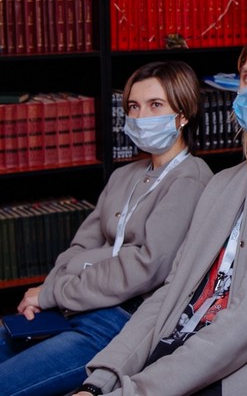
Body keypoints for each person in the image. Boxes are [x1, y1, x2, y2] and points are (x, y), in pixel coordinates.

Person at [75, 23, 247, 396]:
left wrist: (132, 391)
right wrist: (100, 381)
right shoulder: (223, 183)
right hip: (174, 355)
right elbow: (171, 293)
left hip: (236, 377)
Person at [0, 61, 213, 396]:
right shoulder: (123, 175)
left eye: (155, 105)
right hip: (71, 306)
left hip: (117, 321)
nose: (141, 116)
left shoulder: (191, 177)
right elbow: (78, 247)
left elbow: (146, 267)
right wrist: (43, 296)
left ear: (183, 114)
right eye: (134, 106)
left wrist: (54, 292)